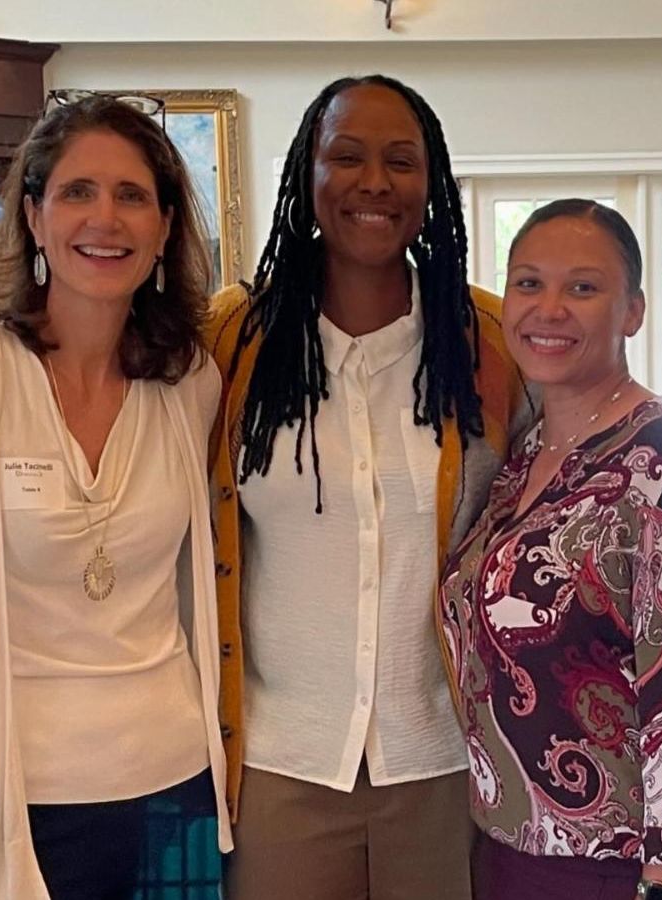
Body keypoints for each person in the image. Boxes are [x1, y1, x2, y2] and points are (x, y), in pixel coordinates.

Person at [0, 93, 231, 900]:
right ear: (33, 216)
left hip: (173, 786)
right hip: (10, 799)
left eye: (132, 195)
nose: (106, 219)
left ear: (165, 227)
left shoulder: (189, 382)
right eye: (77, 192)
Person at [203, 75, 531, 900]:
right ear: (306, 172)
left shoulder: (491, 343)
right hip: (279, 764)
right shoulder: (232, 340)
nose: (374, 182)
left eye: (401, 161)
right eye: (346, 156)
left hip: (446, 763)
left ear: (433, 181)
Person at [437, 199, 662, 900]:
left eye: (582, 287)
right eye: (529, 283)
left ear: (632, 311)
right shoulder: (524, 458)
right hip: (515, 852)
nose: (549, 308)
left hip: (632, 868)